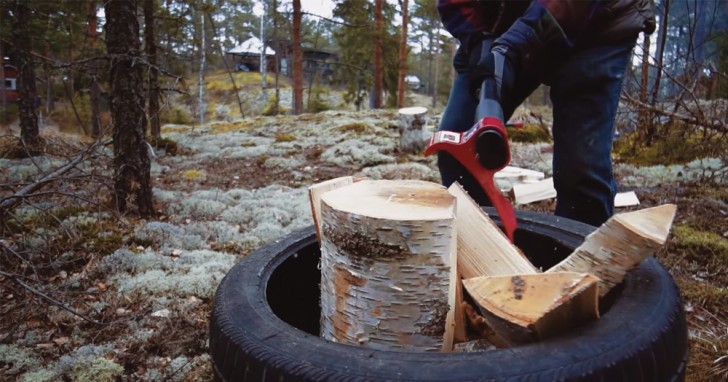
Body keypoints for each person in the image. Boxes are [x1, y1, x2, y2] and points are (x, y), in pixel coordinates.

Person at [436, 0, 655, 227]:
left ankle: (581, 252)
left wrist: (516, 45)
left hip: (597, 25)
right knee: (460, 144)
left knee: (580, 171)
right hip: (505, 22)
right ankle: (480, 247)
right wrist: (478, 38)